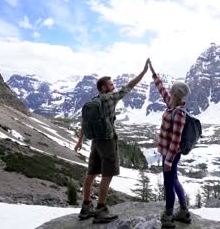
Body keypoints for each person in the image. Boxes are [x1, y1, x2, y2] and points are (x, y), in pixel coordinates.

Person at [74, 59, 149, 223]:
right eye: (110, 84)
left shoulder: (93, 101)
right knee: (107, 174)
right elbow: (129, 87)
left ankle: (86, 207)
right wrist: (143, 72)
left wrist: (80, 141)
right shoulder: (110, 98)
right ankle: (101, 210)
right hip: (107, 141)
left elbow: (84, 123)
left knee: (91, 174)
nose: (113, 86)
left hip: (95, 142)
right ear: (103, 88)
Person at [148, 60, 192, 228]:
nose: (169, 91)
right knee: (174, 180)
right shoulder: (172, 104)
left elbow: (176, 140)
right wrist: (153, 72)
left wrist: (168, 161)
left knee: (168, 183)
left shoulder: (179, 113)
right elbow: (162, 90)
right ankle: (183, 211)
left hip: (171, 154)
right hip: (168, 153)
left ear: (176, 93)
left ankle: (168, 217)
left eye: (172, 89)